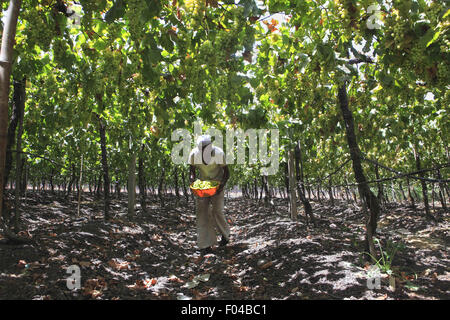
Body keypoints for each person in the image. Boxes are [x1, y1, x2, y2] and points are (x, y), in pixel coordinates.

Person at [189, 135, 230, 255]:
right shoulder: (194, 154)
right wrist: (192, 182)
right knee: (202, 213)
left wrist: (220, 186)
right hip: (203, 184)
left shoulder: (218, 153)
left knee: (217, 211)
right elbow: (192, 171)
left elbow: (226, 173)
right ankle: (205, 244)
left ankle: (225, 235)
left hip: (217, 183)